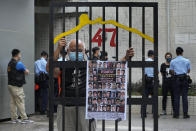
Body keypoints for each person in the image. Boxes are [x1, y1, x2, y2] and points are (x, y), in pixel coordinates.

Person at [47, 38, 134, 131]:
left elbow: (112, 69)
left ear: (84, 51)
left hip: (86, 107)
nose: (76, 53)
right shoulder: (63, 63)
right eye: (73, 50)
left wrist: (126, 57)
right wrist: (58, 49)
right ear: (67, 51)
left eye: (80, 50)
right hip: (66, 106)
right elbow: (50, 69)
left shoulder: (91, 64)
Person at [7, 49, 34, 124]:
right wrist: (25, 70)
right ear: (17, 55)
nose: (21, 56)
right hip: (17, 86)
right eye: (20, 54)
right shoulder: (19, 64)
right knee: (20, 101)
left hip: (10, 85)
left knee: (13, 102)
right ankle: (24, 118)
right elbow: (27, 72)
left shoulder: (10, 63)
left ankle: (14, 118)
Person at [170, 47, 191, 119]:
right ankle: (185, 114)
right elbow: (188, 71)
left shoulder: (172, 61)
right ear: (182, 52)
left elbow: (171, 71)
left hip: (176, 79)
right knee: (184, 97)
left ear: (176, 53)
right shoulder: (187, 60)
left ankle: (176, 114)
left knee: (176, 97)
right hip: (184, 79)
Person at [142, 50, 155, 118]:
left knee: (145, 98)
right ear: (152, 55)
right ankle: (154, 113)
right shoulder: (154, 62)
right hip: (152, 81)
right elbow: (157, 72)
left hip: (145, 81)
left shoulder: (145, 62)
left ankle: (143, 114)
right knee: (154, 97)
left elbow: (143, 71)